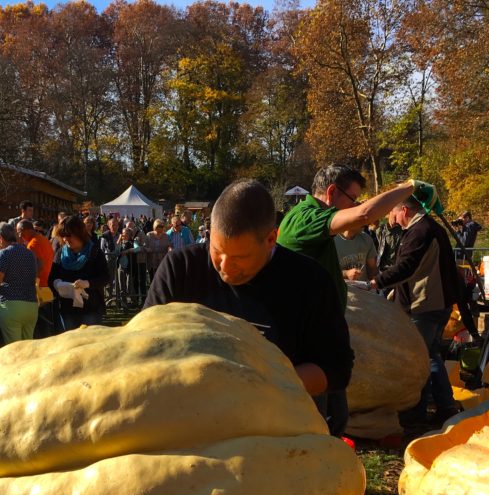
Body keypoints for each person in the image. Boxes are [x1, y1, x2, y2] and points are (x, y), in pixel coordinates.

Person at [144, 179, 352, 409]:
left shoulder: (311, 282)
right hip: (190, 416)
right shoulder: (180, 268)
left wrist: (263, 385)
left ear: (271, 239)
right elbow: (145, 344)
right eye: (217, 251)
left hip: (277, 423)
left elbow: (337, 368)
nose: (225, 266)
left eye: (239, 258)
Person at [277, 165, 424, 434]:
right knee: (317, 420)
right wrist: (409, 188)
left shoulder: (312, 218)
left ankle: (328, 458)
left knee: (335, 415)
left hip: (322, 335)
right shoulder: (306, 218)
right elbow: (364, 214)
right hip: (308, 340)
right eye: (352, 198)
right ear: (332, 192)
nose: (355, 205)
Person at [370, 195, 464, 426]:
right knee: (431, 355)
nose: (392, 219)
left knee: (419, 359)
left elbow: (406, 267)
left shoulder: (419, 231)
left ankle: (417, 413)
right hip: (434, 303)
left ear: (404, 210)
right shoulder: (429, 228)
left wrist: (376, 282)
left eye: (393, 213)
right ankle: (445, 407)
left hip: (424, 304)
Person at [49, 214, 109, 330]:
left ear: (79, 233)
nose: (66, 239)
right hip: (67, 310)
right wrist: (57, 283)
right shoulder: (60, 252)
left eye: (69, 235)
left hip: (91, 308)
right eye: (63, 236)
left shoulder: (95, 252)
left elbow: (105, 277)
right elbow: (52, 277)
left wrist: (87, 283)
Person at [0, 222, 39, 344]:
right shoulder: (30, 253)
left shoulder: (4, 253)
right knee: (28, 351)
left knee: (15, 353)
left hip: (12, 307)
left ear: (0, 238)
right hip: (32, 306)